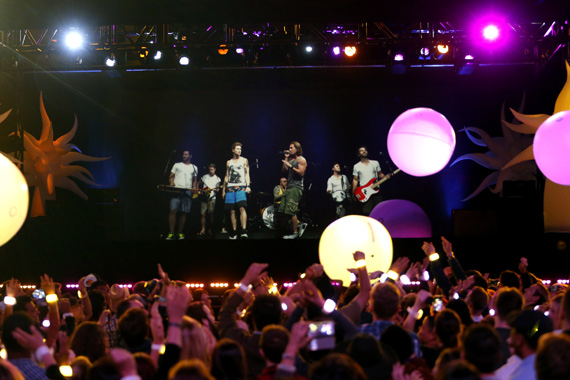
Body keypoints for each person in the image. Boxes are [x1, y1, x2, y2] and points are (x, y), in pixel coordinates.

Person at [279, 142, 308, 239]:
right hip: (289, 187)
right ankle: (299, 224)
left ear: (297, 149)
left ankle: (295, 233)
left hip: (296, 187)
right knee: (284, 210)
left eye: (291, 148)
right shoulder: (291, 160)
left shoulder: (301, 159)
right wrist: (286, 159)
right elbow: (284, 170)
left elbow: (302, 173)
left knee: (291, 211)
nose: (289, 149)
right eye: (289, 148)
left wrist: (291, 166)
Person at [168, 150, 198, 240]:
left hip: (187, 191)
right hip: (177, 190)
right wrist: (171, 183)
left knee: (183, 213)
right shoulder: (177, 165)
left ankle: (180, 233)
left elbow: (195, 180)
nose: (184, 156)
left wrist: (194, 190)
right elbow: (171, 176)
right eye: (183, 154)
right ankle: (171, 233)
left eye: (186, 154)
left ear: (190, 156)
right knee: (173, 210)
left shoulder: (194, 167)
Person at [222, 142, 251, 239]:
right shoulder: (228, 162)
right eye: (237, 149)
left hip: (241, 186)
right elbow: (226, 176)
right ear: (233, 150)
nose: (239, 150)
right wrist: (223, 190)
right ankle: (234, 232)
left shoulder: (244, 160)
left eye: (240, 149)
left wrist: (248, 185)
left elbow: (247, 174)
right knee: (232, 211)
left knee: (242, 208)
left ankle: (243, 231)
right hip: (230, 187)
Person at [352, 146, 389, 215]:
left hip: (376, 190)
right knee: (368, 213)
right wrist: (353, 192)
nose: (364, 151)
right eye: (361, 150)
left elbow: (380, 174)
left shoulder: (375, 163)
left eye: (365, 150)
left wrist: (385, 177)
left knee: (380, 211)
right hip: (365, 193)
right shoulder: (356, 166)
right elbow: (355, 179)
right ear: (358, 154)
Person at [198, 164, 222, 236]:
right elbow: (199, 183)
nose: (211, 171)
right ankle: (203, 229)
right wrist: (198, 190)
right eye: (209, 169)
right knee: (202, 213)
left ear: (215, 169)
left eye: (212, 169)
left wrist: (216, 190)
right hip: (204, 197)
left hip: (212, 197)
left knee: (210, 214)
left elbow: (218, 188)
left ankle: (209, 229)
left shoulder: (218, 178)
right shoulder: (204, 177)